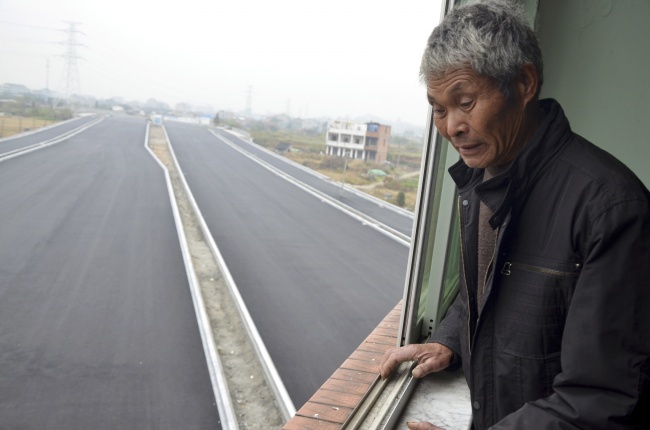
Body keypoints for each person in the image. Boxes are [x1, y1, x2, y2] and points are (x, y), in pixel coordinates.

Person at [379, 1, 650, 429]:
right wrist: (450, 340)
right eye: (439, 109)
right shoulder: (482, 178)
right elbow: (489, 292)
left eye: (465, 102)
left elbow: (600, 398)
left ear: (524, 83)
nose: (451, 127)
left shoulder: (611, 207)